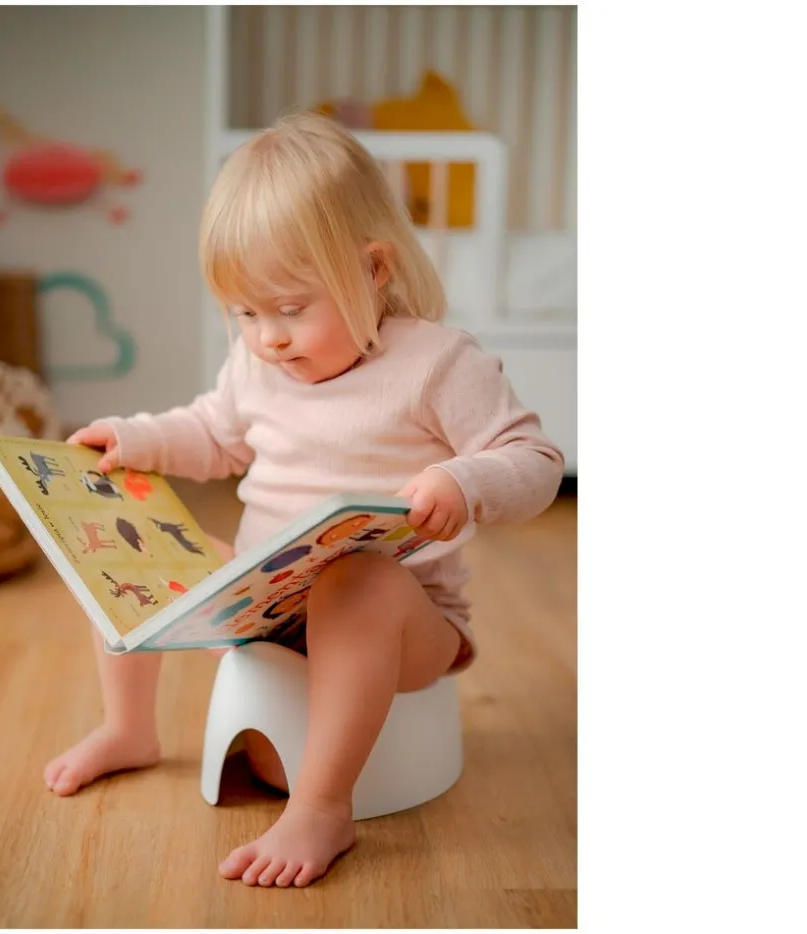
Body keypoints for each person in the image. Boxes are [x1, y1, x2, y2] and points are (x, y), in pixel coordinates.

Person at [44, 112, 564, 888]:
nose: (269, 338)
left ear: (374, 269)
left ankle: (322, 805)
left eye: (290, 308)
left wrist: (465, 482)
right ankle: (128, 729)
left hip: (399, 623)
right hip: (267, 602)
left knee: (355, 578)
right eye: (246, 312)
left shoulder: (437, 363)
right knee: (126, 542)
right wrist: (134, 438)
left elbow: (537, 460)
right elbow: (213, 433)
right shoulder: (258, 363)